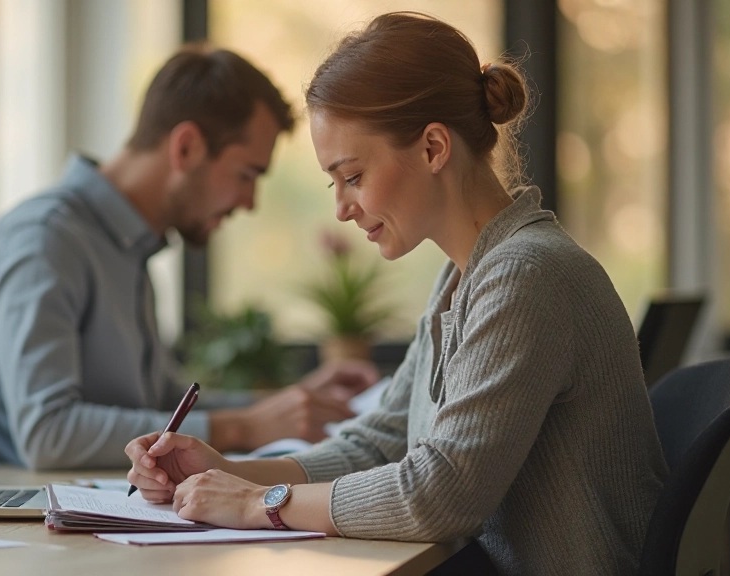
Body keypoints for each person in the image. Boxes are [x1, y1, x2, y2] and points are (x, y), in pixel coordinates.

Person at [124, 13, 668, 575]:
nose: (341, 208)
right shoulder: (466, 276)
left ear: (434, 147)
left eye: (353, 176)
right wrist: (233, 474)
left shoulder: (528, 276)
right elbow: (382, 441)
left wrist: (255, 505)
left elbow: (439, 495)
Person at [0, 46, 379, 471]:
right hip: (41, 523)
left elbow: (164, 407)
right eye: (246, 175)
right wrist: (244, 427)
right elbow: (48, 434)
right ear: (187, 148)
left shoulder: (126, 249)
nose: (249, 202)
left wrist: (291, 403)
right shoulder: (45, 240)